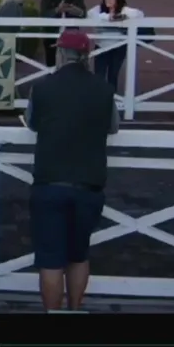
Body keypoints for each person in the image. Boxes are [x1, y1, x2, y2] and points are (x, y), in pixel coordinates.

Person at [25, 30, 118, 311]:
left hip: (50, 182)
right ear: (86, 56)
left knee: (51, 260)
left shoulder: (42, 87)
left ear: (61, 54)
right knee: (78, 256)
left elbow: (32, 122)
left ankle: (53, 317)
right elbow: (112, 126)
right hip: (89, 183)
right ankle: (74, 312)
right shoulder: (104, 89)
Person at [86, 0, 143, 92]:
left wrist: (122, 17)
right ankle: (98, 97)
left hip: (118, 47)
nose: (108, 0)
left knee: (113, 75)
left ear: (117, 0)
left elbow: (139, 14)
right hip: (101, 47)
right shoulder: (98, 9)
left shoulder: (124, 10)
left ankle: (111, 97)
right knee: (99, 75)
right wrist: (109, 17)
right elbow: (90, 14)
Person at [38, 0, 87, 68]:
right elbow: (43, 15)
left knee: (71, 63)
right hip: (51, 34)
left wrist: (75, 10)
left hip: (71, 35)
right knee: (51, 64)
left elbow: (83, 14)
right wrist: (57, 10)